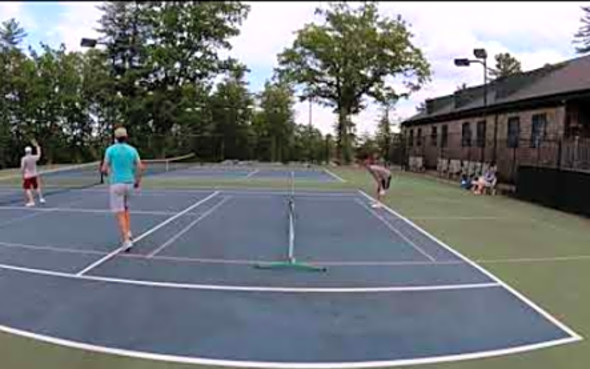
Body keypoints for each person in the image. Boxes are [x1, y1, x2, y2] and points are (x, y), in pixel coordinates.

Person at [101, 127, 144, 252]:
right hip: (129, 183)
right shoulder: (132, 150)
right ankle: (128, 232)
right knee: (125, 209)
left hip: (116, 184)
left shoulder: (110, 150)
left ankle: (126, 240)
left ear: (115, 138)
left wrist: (105, 173)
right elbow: (141, 167)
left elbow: (104, 168)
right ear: (126, 137)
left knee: (119, 213)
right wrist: (137, 181)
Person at [21, 139, 45, 207]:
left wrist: (22, 175)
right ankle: (41, 198)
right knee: (36, 187)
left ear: (25, 151)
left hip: (27, 176)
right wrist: (37, 146)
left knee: (27, 189)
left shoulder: (24, 159)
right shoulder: (34, 157)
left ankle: (31, 201)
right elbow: (39, 155)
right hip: (34, 174)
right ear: (31, 151)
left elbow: (22, 168)